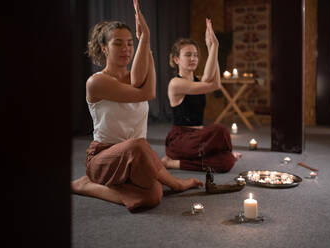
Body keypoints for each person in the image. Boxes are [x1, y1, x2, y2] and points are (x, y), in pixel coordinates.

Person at [71, 0, 203, 212]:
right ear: (104, 48)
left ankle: (118, 184)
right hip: (103, 160)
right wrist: (176, 183)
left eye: (130, 43)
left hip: (133, 159)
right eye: (117, 43)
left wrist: (145, 42)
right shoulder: (96, 82)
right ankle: (86, 184)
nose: (126, 48)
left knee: (151, 197)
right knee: (138, 144)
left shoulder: (136, 77)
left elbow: (141, 85)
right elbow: (148, 93)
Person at [162, 18, 241, 173]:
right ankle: (172, 162)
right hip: (181, 141)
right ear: (177, 59)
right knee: (221, 131)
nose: (193, 58)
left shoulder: (198, 80)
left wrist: (213, 47)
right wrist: (213, 48)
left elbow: (215, 83)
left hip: (199, 139)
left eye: (196, 55)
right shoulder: (175, 84)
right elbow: (210, 82)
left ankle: (175, 163)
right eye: (188, 55)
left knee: (226, 163)